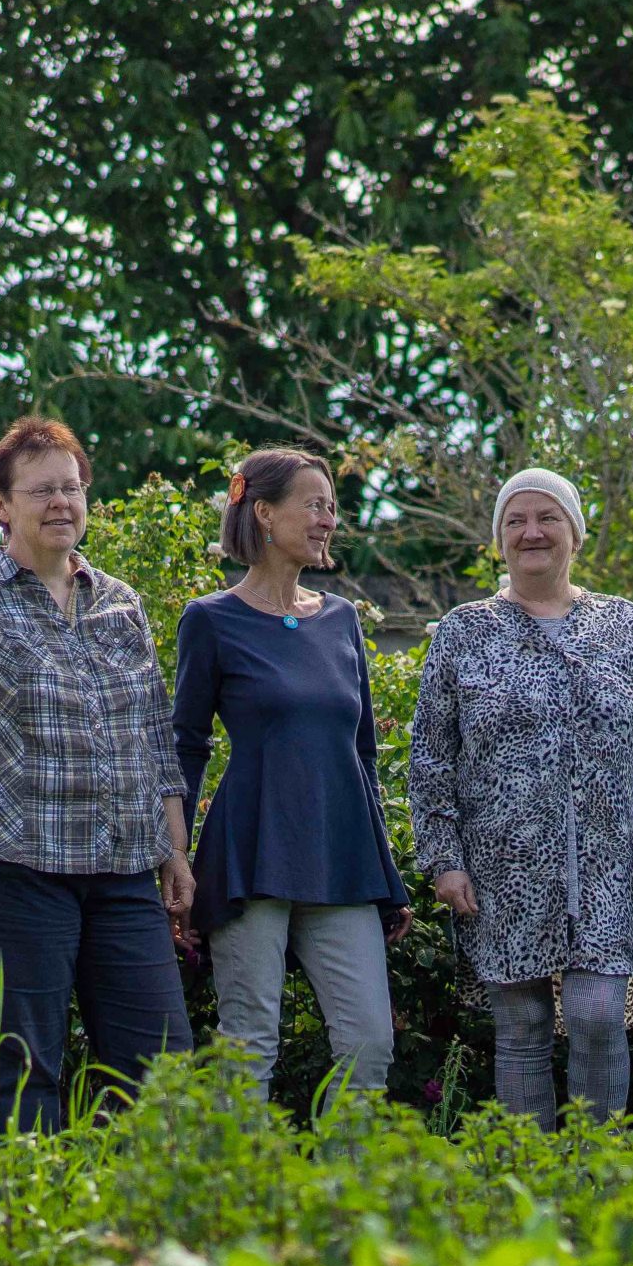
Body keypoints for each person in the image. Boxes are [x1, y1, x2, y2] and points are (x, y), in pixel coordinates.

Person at [0, 415, 194, 1135]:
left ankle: (156, 1236)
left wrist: (175, 851)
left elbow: (156, 738)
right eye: (42, 490)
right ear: (1, 503)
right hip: (14, 872)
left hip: (125, 870)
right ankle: (32, 1232)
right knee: (24, 1069)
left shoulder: (120, 602)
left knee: (165, 1073)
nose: (62, 502)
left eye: (72, 487)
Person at [406, 466, 633, 1127]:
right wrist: (442, 858)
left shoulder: (624, 625)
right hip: (502, 873)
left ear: (575, 534)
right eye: (516, 520)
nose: (532, 531)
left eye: (548, 518)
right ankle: (531, 1183)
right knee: (523, 1023)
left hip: (606, 872)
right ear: (500, 540)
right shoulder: (463, 631)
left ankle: (598, 1177)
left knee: (595, 1016)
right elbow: (429, 757)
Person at [172, 448, 411, 1103]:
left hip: (341, 857)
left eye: (331, 506)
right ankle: (244, 1203)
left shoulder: (342, 621)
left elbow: (361, 755)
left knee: (369, 1043)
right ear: (263, 513)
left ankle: (337, 1200)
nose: (327, 518)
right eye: (313, 504)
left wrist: (385, 872)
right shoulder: (211, 619)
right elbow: (185, 746)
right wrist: (177, 860)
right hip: (251, 852)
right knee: (248, 1045)